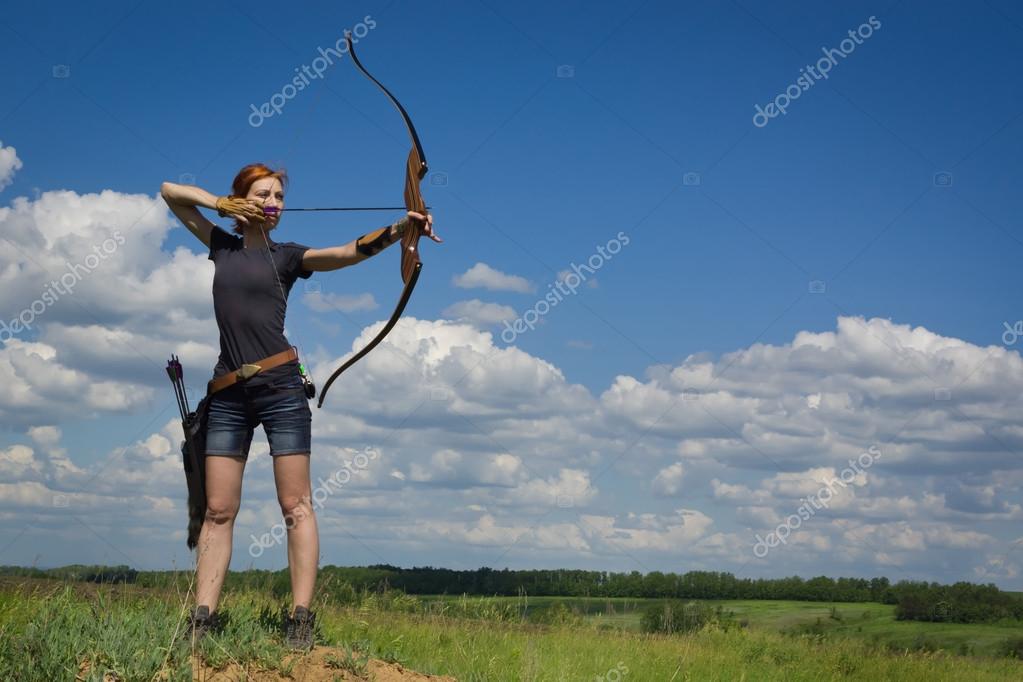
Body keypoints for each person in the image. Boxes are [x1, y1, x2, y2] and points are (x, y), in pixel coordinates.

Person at [160, 163, 439, 649]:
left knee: (296, 505)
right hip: (227, 393)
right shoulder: (220, 245)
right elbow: (170, 192)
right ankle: (202, 619)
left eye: (279, 197)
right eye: (263, 194)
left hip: (282, 389)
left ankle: (300, 619)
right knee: (219, 510)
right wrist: (219, 205)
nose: (273, 203)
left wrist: (401, 228)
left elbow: (346, 253)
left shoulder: (287, 257)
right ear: (240, 199)